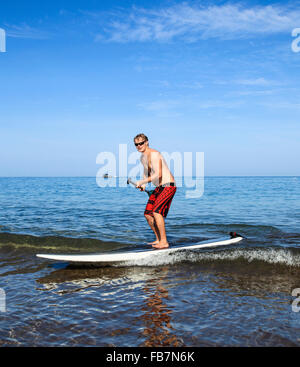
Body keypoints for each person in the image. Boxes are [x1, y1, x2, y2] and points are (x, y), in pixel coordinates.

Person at [134, 133, 176, 249]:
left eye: (141, 143)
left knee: (157, 212)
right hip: (159, 188)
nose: (139, 146)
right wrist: (143, 183)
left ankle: (164, 242)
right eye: (136, 144)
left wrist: (142, 182)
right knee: (148, 214)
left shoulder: (154, 154)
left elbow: (159, 174)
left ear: (146, 142)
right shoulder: (143, 157)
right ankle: (158, 239)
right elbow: (146, 173)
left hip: (168, 186)